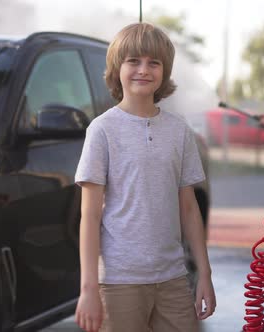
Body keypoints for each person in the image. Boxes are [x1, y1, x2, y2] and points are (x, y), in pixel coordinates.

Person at [74, 22, 216, 332]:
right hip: (118, 283)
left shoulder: (179, 131)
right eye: (133, 61)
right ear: (117, 68)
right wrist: (88, 289)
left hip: (173, 279)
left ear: (164, 72)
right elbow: (89, 215)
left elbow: (189, 210)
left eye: (154, 62)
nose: (144, 70)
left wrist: (204, 273)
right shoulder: (102, 130)